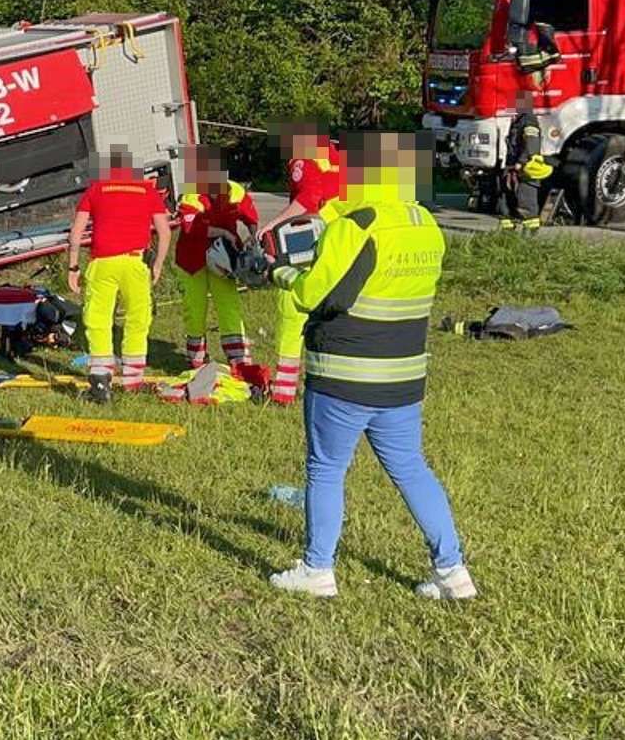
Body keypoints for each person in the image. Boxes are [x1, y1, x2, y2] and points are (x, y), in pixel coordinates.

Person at [266, 132, 476, 601]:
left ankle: (318, 569)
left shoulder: (356, 225)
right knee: (412, 469)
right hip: (403, 376)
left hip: (344, 374)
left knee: (326, 469)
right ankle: (452, 570)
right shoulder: (426, 224)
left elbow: (315, 295)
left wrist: (278, 270)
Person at [66, 148, 171, 403]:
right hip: (135, 263)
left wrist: (73, 267)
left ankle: (100, 381)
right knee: (138, 319)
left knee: (98, 320)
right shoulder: (147, 190)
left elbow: (76, 234)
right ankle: (133, 381)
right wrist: (157, 265)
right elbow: (165, 232)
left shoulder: (96, 189)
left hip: (102, 264)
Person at [262, 125, 344, 403]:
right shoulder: (337, 156)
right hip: (343, 239)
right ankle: (329, 381)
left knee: (292, 306)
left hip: (315, 237)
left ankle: (284, 390)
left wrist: (272, 225)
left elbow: (308, 199)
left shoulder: (304, 158)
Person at [171, 146, 258, 369]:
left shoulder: (235, 191)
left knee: (229, 306)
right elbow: (191, 228)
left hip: (224, 261)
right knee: (195, 309)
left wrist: (253, 238)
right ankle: (197, 360)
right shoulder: (192, 195)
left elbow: (251, 217)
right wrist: (223, 233)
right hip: (193, 261)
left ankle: (239, 359)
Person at [500, 87, 551, 230]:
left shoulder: (528, 120)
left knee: (526, 198)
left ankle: (530, 229)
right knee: (510, 197)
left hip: (525, 168)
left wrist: (521, 162)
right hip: (514, 165)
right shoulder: (519, 120)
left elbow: (531, 142)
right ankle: (510, 227)